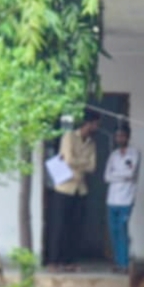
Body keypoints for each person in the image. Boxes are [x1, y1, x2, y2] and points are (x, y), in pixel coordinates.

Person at [48, 108, 100, 270]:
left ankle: (68, 261)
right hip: (64, 187)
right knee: (59, 226)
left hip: (80, 188)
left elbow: (92, 166)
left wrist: (77, 162)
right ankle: (53, 261)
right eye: (96, 124)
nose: (97, 127)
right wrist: (82, 162)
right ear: (88, 124)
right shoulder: (69, 136)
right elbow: (68, 160)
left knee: (74, 227)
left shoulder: (91, 143)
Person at [104, 123, 140, 273]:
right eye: (118, 136)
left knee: (122, 230)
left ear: (128, 137)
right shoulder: (113, 155)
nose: (120, 138)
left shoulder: (134, 153)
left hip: (126, 199)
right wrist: (122, 176)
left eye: (122, 136)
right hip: (112, 199)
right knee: (113, 231)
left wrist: (116, 175)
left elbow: (131, 174)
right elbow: (106, 177)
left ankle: (124, 263)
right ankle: (118, 262)